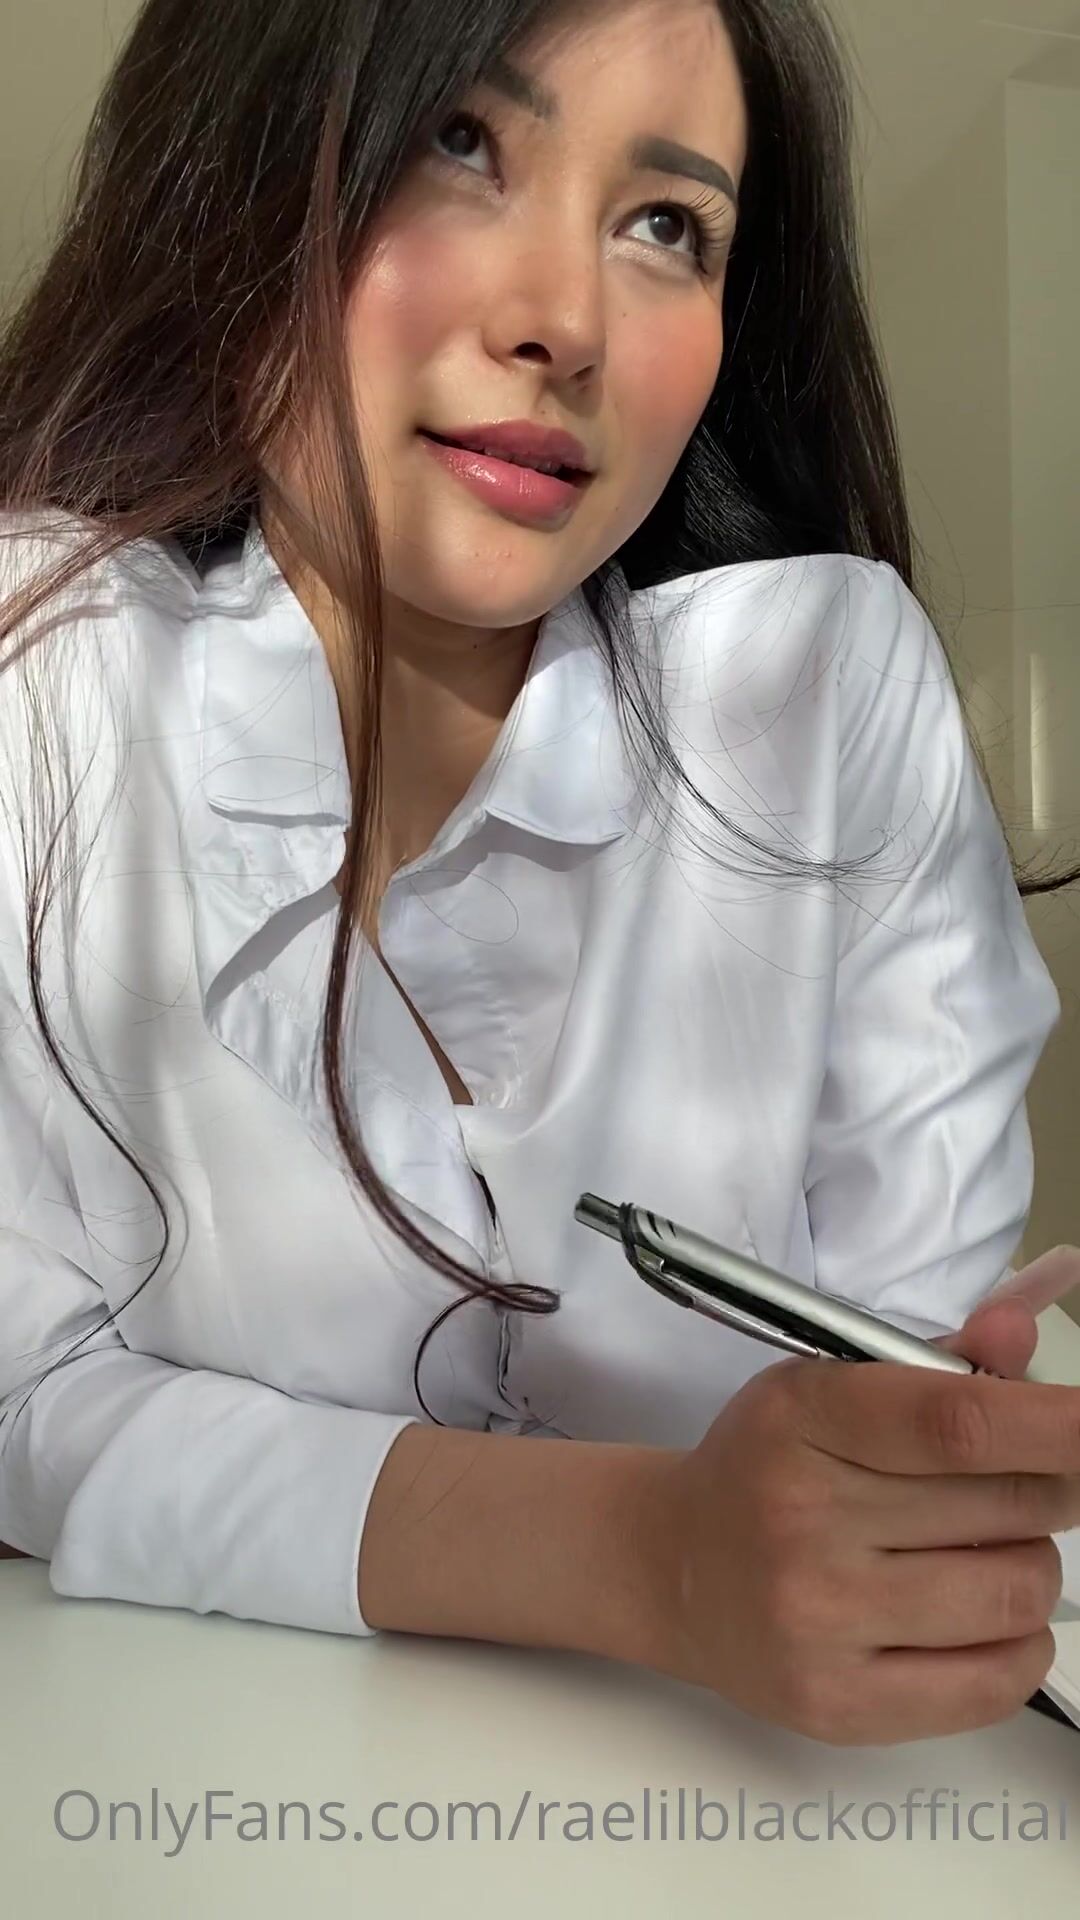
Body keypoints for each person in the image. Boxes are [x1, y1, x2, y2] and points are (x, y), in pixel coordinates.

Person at [1, 0, 1079, 1751]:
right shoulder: (36, 680)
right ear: (236, 166)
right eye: (461, 143)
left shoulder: (823, 688)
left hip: (786, 1814)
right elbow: (19, 1398)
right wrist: (642, 1555)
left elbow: (898, 1360)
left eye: (668, 225)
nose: (566, 322)